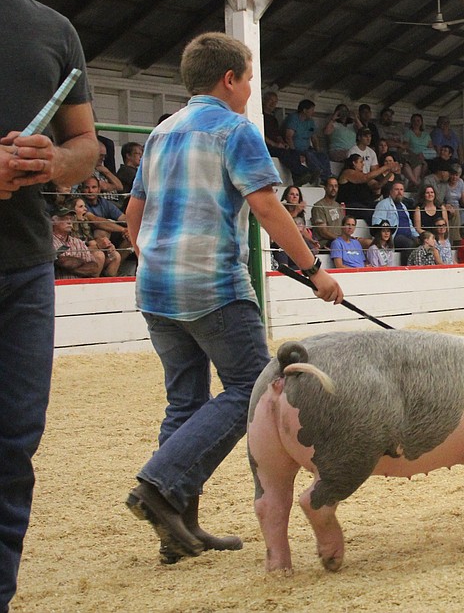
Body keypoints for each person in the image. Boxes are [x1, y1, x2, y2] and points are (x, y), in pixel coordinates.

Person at [123, 32, 342, 565]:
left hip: (156, 288)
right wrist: (314, 271)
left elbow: (135, 213)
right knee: (251, 387)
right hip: (213, 287)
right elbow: (268, 208)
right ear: (230, 80)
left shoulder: (161, 132)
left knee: (185, 400)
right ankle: (160, 483)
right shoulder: (234, 130)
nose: (249, 89)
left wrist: (156, 258)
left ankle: (177, 525)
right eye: (248, 78)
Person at [0, 0, 101, 600]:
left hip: (24, 267)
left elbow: (87, 144)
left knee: (10, 450)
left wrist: (53, 164)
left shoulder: (52, 29)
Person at [261, 90, 312, 185]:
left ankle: (297, 178)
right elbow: (260, 134)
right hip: (264, 146)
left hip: (275, 145)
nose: (273, 104)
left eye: (275, 102)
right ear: (264, 100)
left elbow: (277, 135)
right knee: (283, 152)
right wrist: (275, 144)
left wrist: (283, 143)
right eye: (270, 101)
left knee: (293, 152)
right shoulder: (259, 115)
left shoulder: (273, 118)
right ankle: (304, 172)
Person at [282, 99, 331, 182]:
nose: (313, 112)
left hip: (307, 148)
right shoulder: (293, 118)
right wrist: (294, 152)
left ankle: (327, 177)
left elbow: (314, 137)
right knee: (309, 155)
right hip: (296, 149)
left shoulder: (310, 121)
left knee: (323, 156)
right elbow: (288, 137)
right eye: (312, 110)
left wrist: (318, 150)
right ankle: (318, 173)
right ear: (304, 110)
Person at [50, 210, 103, 278]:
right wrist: (83, 263)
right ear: (54, 222)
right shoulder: (49, 241)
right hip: (58, 286)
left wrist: (66, 267)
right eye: (65, 219)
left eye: (71, 219)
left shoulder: (79, 242)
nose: (69, 222)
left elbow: (94, 268)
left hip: (80, 286)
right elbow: (60, 261)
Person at [372, 180, 420, 252]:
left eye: (401, 190)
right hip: (394, 237)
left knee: (422, 243)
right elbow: (376, 222)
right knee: (409, 244)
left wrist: (418, 237)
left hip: (409, 236)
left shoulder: (403, 206)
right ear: (391, 192)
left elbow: (410, 225)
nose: (399, 192)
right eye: (396, 189)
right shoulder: (384, 204)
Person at [310, 177, 344, 250]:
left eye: (336, 186)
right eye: (331, 186)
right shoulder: (319, 206)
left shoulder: (337, 205)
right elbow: (323, 232)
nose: (334, 188)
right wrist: (341, 239)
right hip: (325, 242)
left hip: (339, 240)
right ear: (325, 188)